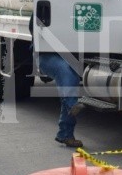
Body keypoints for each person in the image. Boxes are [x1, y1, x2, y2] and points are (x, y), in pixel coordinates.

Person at [29, 16, 85, 148]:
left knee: (71, 78)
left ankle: (65, 134)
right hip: (46, 54)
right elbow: (33, 27)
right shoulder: (46, 8)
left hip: (70, 56)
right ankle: (72, 104)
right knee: (65, 72)